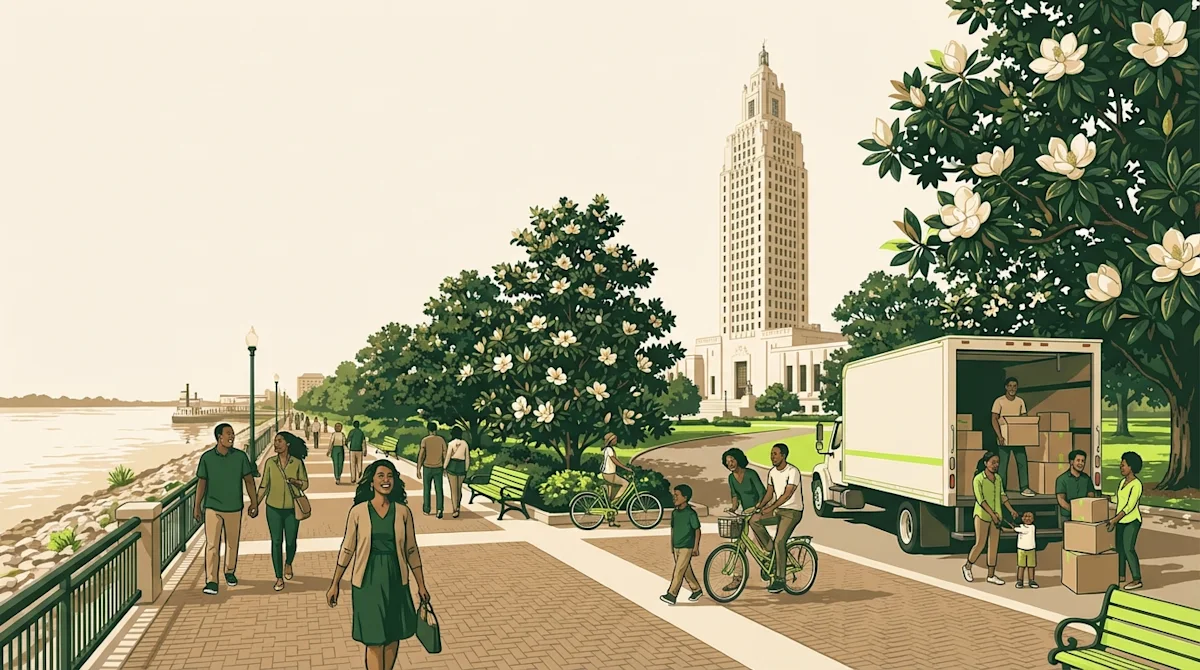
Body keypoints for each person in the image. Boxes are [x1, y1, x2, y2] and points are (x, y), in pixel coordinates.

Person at [327, 460, 431, 670]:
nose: (386, 480)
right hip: (367, 581)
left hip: (396, 579)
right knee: (374, 638)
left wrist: (421, 585)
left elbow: (411, 550)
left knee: (393, 635)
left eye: (390, 476)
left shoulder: (403, 512)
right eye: (381, 476)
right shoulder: (358, 512)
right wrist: (335, 583)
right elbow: (347, 549)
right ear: (371, 481)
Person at [192, 423, 258, 596]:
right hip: (212, 507)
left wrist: (254, 502)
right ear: (219, 437)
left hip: (234, 507)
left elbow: (249, 480)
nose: (232, 437)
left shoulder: (240, 457)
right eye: (228, 434)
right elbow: (201, 483)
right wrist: (197, 505)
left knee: (232, 543)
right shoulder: (207, 458)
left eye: (233, 434)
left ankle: (229, 572)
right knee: (212, 545)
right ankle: (212, 580)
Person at [256, 431, 310, 591]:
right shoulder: (270, 463)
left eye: (279, 441)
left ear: (287, 444)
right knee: (276, 542)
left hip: (292, 509)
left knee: (291, 541)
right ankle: (278, 577)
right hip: (273, 508)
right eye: (275, 441)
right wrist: (255, 504)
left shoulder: (297, 462)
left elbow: (306, 484)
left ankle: (288, 563)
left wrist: (296, 482)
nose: (276, 444)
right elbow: (264, 485)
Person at [749, 443, 804, 594]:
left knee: (780, 541)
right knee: (753, 520)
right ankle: (769, 550)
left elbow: (787, 494)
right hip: (778, 510)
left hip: (792, 512)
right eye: (771, 454)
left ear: (783, 456)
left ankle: (780, 580)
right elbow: (769, 493)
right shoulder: (772, 472)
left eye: (775, 454)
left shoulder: (793, 471)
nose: (772, 457)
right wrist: (759, 506)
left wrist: (771, 508)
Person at [962, 451, 1020, 586]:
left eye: (997, 462)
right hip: (982, 515)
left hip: (997, 516)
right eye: (993, 462)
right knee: (980, 543)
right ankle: (968, 566)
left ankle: (991, 575)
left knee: (994, 545)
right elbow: (980, 500)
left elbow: (1002, 495)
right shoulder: (978, 479)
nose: (995, 465)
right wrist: (992, 515)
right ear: (985, 463)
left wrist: (1011, 510)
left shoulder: (998, 479)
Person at [990, 376, 1035, 497]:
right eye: (1010, 386)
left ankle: (1024, 487)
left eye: (1014, 386)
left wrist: (1025, 435)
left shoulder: (1020, 401)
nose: (1012, 388)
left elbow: (1024, 418)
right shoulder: (999, 401)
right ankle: (1001, 489)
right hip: (1004, 437)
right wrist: (999, 436)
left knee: (1022, 461)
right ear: (1006, 387)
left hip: (1017, 437)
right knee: (1003, 464)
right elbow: (994, 419)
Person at [659, 484, 703, 605]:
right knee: (685, 570)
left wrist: (695, 547)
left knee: (678, 571)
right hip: (676, 546)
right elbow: (673, 528)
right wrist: (672, 545)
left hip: (686, 546)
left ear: (685, 497)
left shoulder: (691, 513)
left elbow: (697, 530)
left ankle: (672, 595)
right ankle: (696, 589)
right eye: (674, 495)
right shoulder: (675, 513)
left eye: (677, 495)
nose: (674, 498)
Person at [1107, 451, 1144, 591]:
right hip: (1120, 521)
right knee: (1119, 549)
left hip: (1132, 521)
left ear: (1131, 467)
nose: (1120, 467)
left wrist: (1114, 520)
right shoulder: (1122, 482)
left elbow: (1129, 507)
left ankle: (1137, 579)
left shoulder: (1137, 485)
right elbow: (1119, 501)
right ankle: (1120, 576)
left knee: (1128, 548)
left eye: (1123, 465)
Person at [1054, 449, 1098, 526]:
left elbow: (1091, 495)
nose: (1081, 463)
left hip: (1085, 516)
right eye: (1078, 460)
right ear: (1071, 462)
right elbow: (1061, 500)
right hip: (1067, 516)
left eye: (1083, 461)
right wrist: (1075, 511)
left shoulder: (1086, 478)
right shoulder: (1062, 479)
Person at [600, 433, 634, 526]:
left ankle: (611, 521)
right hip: (609, 474)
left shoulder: (608, 449)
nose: (616, 441)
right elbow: (614, 460)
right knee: (625, 483)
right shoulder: (609, 449)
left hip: (609, 473)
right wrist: (625, 468)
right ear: (611, 440)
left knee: (610, 500)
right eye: (615, 439)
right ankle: (616, 501)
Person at [416, 422, 446, 518]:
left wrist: (418, 468)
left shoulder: (425, 440)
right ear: (436, 429)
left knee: (427, 489)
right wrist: (445, 467)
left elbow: (421, 454)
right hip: (438, 467)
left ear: (428, 429)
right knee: (439, 489)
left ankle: (427, 509)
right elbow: (444, 454)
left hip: (427, 467)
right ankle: (440, 509)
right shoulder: (441, 440)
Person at [723, 447, 766, 515]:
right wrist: (733, 509)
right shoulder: (731, 478)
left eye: (732, 461)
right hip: (745, 512)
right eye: (727, 462)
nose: (730, 464)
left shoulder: (751, 474)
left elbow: (762, 492)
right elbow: (735, 495)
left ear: (738, 460)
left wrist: (758, 506)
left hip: (759, 509)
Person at [443, 426, 470, 518]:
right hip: (461, 466)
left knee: (453, 490)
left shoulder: (451, 444)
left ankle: (455, 509)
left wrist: (444, 467)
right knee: (459, 488)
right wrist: (466, 469)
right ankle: (458, 505)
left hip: (452, 466)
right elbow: (467, 458)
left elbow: (448, 457)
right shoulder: (465, 444)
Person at [1010, 511, 1039, 589]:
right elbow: (1018, 527)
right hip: (1021, 550)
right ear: (1022, 518)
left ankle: (1031, 580)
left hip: (1031, 550)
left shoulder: (1032, 527)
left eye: (1030, 516)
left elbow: (1021, 530)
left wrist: (1014, 527)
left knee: (1031, 566)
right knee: (1021, 566)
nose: (1027, 518)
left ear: (1033, 519)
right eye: (1025, 516)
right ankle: (1020, 580)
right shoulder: (1021, 526)